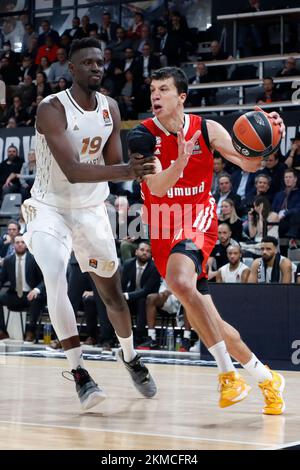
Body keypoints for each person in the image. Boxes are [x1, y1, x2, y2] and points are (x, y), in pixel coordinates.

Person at [127, 66, 286, 414]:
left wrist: (272, 138)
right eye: (153, 89)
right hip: (162, 227)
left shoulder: (207, 129)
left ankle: (228, 377)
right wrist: (180, 162)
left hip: (197, 218)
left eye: (163, 89)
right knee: (207, 318)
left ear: (181, 96)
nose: (155, 95)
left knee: (183, 283)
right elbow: (156, 187)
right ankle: (265, 377)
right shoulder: (141, 134)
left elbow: (249, 164)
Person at [21, 38, 157, 411]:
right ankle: (79, 371)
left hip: (91, 209)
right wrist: (127, 169)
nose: (97, 67)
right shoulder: (51, 109)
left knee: (112, 292)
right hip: (49, 207)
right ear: (72, 69)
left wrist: (138, 160)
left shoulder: (110, 107)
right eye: (89, 63)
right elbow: (74, 170)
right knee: (54, 274)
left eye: (101, 62)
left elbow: (112, 162)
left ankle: (129, 356)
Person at [0, 234, 46, 342]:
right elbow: (2, 280)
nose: (20, 244)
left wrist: (36, 290)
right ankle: (2, 331)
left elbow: (44, 280)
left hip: (31, 294)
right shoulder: (8, 261)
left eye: (22, 242)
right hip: (15, 295)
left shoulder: (34, 259)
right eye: (17, 242)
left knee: (36, 300)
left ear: (26, 244)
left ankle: (30, 332)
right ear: (13, 245)